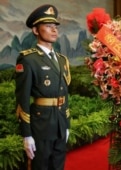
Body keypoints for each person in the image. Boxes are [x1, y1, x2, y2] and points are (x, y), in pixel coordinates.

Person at [15, 4, 71, 170]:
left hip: (60, 123)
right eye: (48, 26)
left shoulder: (62, 60)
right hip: (41, 125)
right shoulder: (28, 59)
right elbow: (22, 98)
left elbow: (65, 94)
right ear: (35, 30)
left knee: (58, 166)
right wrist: (27, 135)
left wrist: (67, 125)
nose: (54, 30)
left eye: (55, 27)